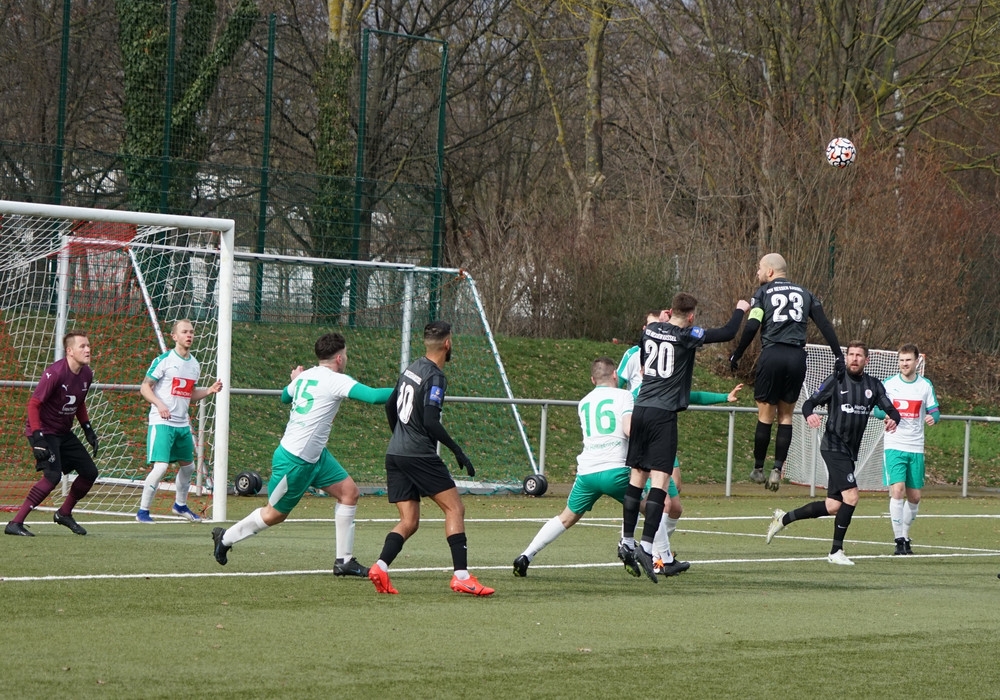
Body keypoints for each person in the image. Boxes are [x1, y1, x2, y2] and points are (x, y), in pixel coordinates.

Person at [212, 332, 392, 576]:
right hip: (295, 461)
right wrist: (410, 387)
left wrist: (295, 380)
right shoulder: (335, 380)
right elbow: (374, 397)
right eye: (346, 355)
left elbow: (285, 397)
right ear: (339, 358)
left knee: (349, 493)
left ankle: (344, 561)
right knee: (273, 515)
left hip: (316, 456)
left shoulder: (306, 376)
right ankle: (225, 538)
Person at [512, 357, 690, 578]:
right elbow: (628, 429)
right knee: (655, 506)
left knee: (566, 517)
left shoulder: (584, 402)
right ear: (615, 374)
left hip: (587, 472)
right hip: (616, 469)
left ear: (592, 379)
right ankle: (662, 558)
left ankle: (526, 555)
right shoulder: (624, 395)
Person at [620, 292, 750, 583]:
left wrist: (664, 320)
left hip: (641, 409)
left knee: (636, 478)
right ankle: (646, 547)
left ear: (670, 310)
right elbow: (728, 332)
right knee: (660, 481)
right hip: (663, 414)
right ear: (691, 316)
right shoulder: (687, 335)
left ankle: (626, 541)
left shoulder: (651, 329)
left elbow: (647, 358)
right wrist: (741, 309)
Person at [368, 320, 494, 596]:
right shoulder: (436, 377)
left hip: (395, 453)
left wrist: (400, 436)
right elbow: (430, 421)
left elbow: (390, 405)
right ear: (447, 344)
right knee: (455, 508)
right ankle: (461, 576)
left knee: (409, 520)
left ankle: (380, 567)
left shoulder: (412, 367)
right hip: (418, 454)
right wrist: (457, 450)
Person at [765, 341, 901, 565]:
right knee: (852, 496)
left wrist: (894, 419)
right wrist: (809, 414)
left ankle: (784, 518)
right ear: (846, 358)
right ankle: (836, 551)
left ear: (866, 360)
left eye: (859, 355)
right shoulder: (836, 381)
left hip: (849, 451)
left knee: (833, 505)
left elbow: (892, 410)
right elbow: (809, 403)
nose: (854, 358)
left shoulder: (874, 385)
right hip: (833, 446)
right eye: (851, 354)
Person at [729, 253, 845, 491]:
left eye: (759, 268)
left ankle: (758, 468)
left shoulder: (762, 293)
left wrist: (737, 353)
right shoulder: (806, 294)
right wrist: (838, 355)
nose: (757, 272)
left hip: (772, 354)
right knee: (786, 416)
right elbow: (825, 324)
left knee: (765, 415)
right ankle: (777, 469)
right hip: (796, 357)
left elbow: (752, 325)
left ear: (770, 271)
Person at [5, 331, 99, 537]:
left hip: (63, 432)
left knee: (90, 472)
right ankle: (15, 523)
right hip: (44, 431)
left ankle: (64, 513)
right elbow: (34, 404)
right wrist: (38, 437)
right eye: (82, 346)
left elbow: (79, 402)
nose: (88, 349)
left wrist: (88, 429)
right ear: (69, 351)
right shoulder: (55, 373)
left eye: (88, 345)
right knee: (52, 476)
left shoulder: (86, 374)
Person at [137, 319, 222, 522]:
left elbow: (189, 394)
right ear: (174, 336)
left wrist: (209, 391)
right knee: (161, 467)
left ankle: (180, 505)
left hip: (182, 424)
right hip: (162, 422)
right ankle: (143, 511)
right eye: (184, 332)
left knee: (189, 467)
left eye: (191, 332)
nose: (189, 335)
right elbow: (145, 387)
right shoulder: (164, 360)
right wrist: (160, 405)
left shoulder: (194, 365)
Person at [878, 343, 939, 555]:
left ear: (916, 361)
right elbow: (877, 409)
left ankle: (905, 536)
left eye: (908, 360)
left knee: (914, 497)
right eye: (901, 360)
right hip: (894, 444)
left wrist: (933, 417)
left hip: (916, 446)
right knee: (897, 490)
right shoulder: (889, 384)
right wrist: (885, 414)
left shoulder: (925, 385)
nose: (904, 364)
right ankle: (898, 540)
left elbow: (934, 410)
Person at [617, 309, 663, 397]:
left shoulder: (671, 356)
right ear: (644, 328)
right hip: (636, 403)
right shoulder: (633, 354)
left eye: (659, 327)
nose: (655, 331)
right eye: (651, 326)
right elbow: (615, 387)